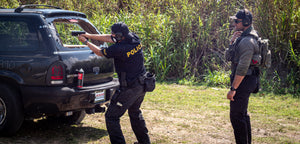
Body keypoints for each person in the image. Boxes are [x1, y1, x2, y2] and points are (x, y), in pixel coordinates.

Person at [78, 22, 151, 144]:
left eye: (114, 34)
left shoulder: (119, 49)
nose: (112, 35)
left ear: (119, 35)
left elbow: (100, 52)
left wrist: (85, 42)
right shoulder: (134, 38)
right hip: (142, 84)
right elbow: (110, 37)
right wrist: (89, 35)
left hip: (130, 88)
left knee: (111, 117)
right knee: (134, 112)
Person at [226, 9, 260, 144]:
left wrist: (233, 88)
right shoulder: (243, 38)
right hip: (245, 80)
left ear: (245, 22)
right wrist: (231, 42)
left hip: (243, 81)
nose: (234, 23)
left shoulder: (247, 41)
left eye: (237, 21)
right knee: (242, 115)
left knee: (236, 116)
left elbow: (242, 68)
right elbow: (229, 57)